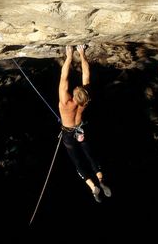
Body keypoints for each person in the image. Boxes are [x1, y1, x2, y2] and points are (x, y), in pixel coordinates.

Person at [58, 44, 111, 203]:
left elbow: (63, 78)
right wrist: (82, 53)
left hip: (68, 134)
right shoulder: (85, 102)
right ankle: (100, 179)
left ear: (74, 93)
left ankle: (92, 187)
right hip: (80, 131)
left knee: (78, 162)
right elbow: (86, 74)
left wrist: (68, 56)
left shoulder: (66, 102)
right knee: (90, 155)